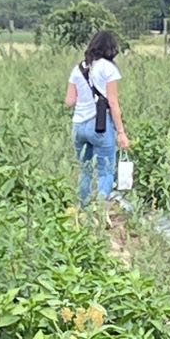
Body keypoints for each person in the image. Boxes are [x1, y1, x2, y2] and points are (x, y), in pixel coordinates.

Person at [64, 29, 129, 206]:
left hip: (78, 125)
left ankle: (83, 210)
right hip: (100, 125)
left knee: (85, 171)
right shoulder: (109, 68)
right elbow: (113, 103)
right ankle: (100, 211)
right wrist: (121, 133)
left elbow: (69, 101)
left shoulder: (78, 68)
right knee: (105, 171)